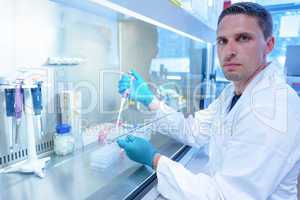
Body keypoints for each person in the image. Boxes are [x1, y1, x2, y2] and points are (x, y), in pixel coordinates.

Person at [117, 2, 300, 200]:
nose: (229, 51)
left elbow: (224, 197)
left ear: (269, 44)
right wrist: (149, 99)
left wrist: (154, 159)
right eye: (222, 41)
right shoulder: (233, 92)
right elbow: (193, 130)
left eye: (243, 38)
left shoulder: (274, 108)